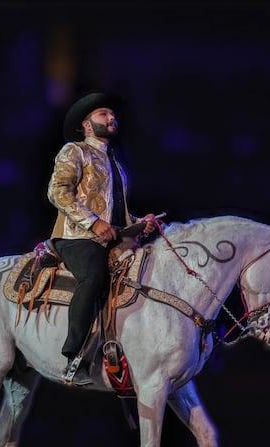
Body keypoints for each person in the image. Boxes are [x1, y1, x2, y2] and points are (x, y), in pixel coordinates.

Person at [47, 92, 156, 385]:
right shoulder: (75, 151)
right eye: (103, 114)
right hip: (76, 237)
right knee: (94, 275)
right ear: (86, 123)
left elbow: (118, 214)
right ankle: (74, 358)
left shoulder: (116, 164)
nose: (111, 119)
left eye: (112, 114)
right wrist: (94, 224)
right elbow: (58, 192)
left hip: (110, 239)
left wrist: (139, 223)